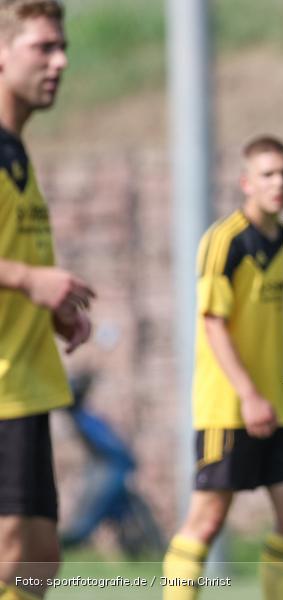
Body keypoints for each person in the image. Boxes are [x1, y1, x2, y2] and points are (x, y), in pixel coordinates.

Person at [162, 136, 283, 600]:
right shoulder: (224, 240)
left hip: (277, 406)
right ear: (246, 182)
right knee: (206, 520)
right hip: (227, 406)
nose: (278, 183)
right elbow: (213, 324)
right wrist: (248, 394)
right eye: (267, 174)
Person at [0, 2, 94, 599]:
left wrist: (50, 306)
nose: (59, 62)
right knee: (12, 553)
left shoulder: (15, 151)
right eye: (43, 48)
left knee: (39, 560)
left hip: (27, 381)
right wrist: (29, 279)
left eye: (62, 49)